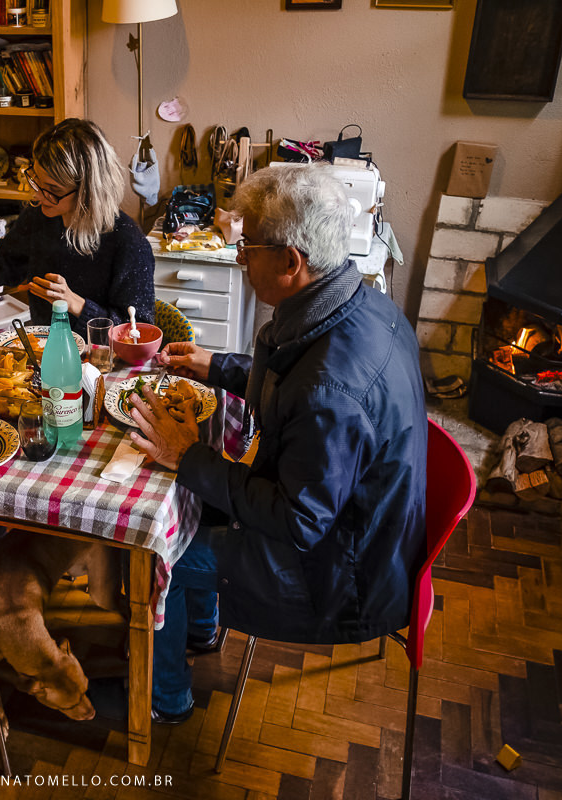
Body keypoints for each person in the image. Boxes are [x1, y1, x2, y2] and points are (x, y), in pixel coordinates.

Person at [128, 163, 427, 723]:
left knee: (157, 553)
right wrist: (216, 365)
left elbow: (298, 520)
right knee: (198, 502)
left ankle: (165, 699)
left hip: (338, 576)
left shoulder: (331, 391)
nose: (240, 258)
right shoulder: (359, 303)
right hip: (361, 534)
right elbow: (297, 385)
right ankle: (200, 629)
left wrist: (185, 454)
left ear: (291, 262)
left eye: (249, 247)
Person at [0, 118, 154, 338]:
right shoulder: (41, 217)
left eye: (52, 190)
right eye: (36, 181)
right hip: (43, 346)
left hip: (99, 357)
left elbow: (138, 333)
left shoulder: (129, 244)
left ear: (88, 191)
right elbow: (3, 263)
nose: (38, 196)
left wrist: (75, 304)